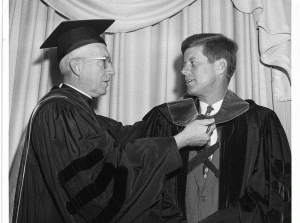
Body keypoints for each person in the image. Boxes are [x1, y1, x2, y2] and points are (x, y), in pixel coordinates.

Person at [11, 20, 216, 223]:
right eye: (104, 61)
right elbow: (100, 190)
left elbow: (128, 135)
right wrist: (179, 141)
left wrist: (182, 110)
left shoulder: (76, 110)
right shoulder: (60, 112)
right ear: (77, 66)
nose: (111, 71)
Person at [139, 33, 291, 222]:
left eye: (192, 63)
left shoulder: (259, 123)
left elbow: (269, 193)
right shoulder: (165, 119)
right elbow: (148, 186)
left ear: (220, 66)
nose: (184, 71)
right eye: (184, 64)